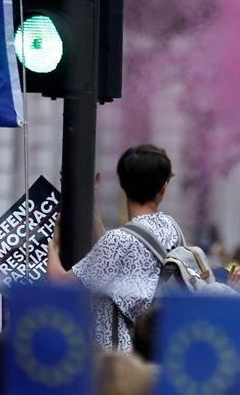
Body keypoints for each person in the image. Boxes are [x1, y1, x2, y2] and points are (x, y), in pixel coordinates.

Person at [47, 144, 185, 351]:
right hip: (158, 353)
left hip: (117, 359)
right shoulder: (171, 228)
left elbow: (60, 283)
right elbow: (117, 257)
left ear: (123, 185)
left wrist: (52, 247)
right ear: (162, 190)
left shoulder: (118, 242)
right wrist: (89, 201)